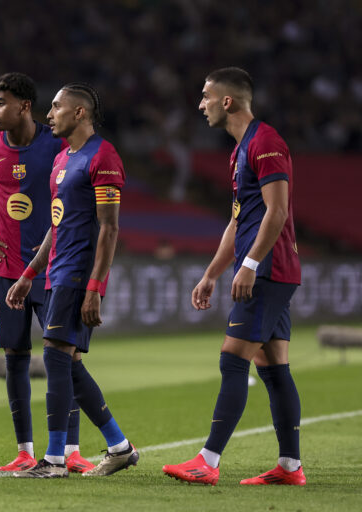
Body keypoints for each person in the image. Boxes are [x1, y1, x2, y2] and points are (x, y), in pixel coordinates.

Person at [162, 67, 304, 486]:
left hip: (269, 270)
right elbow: (238, 220)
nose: (200, 104)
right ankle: (290, 467)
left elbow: (277, 211)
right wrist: (211, 274)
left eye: (206, 96)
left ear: (227, 101)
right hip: (271, 269)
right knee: (273, 366)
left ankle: (207, 461)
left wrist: (251, 265)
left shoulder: (265, 142)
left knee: (232, 359)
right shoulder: (241, 150)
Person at [0, 73, 93, 474]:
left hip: (52, 271)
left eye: (1, 102)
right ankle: (24, 451)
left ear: (25, 106)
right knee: (15, 357)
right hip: (3, 269)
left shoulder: (57, 144)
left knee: (63, 357)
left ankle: (70, 451)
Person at [7, 83, 139, 478]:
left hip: (79, 272)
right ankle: (120, 447)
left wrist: (95, 287)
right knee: (70, 363)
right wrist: (29, 274)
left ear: (79, 112)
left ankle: (54, 460)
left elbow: (109, 228)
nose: (49, 115)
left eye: (56, 107)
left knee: (54, 354)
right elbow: (57, 223)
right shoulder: (63, 159)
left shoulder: (103, 156)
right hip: (56, 271)